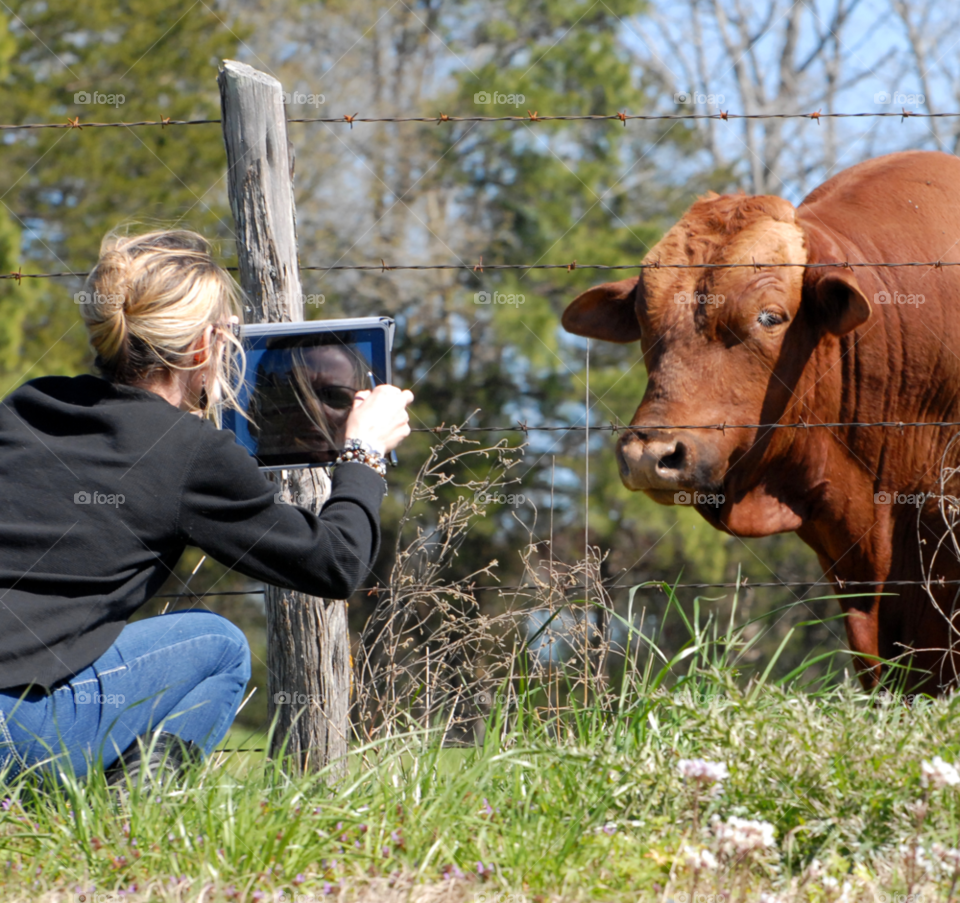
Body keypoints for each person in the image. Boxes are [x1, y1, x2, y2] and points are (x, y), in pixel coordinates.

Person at [0, 229, 413, 783]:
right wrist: (362, 454)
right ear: (201, 347)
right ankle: (128, 823)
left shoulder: (28, 404)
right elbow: (336, 564)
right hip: (17, 732)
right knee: (217, 645)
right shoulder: (189, 452)